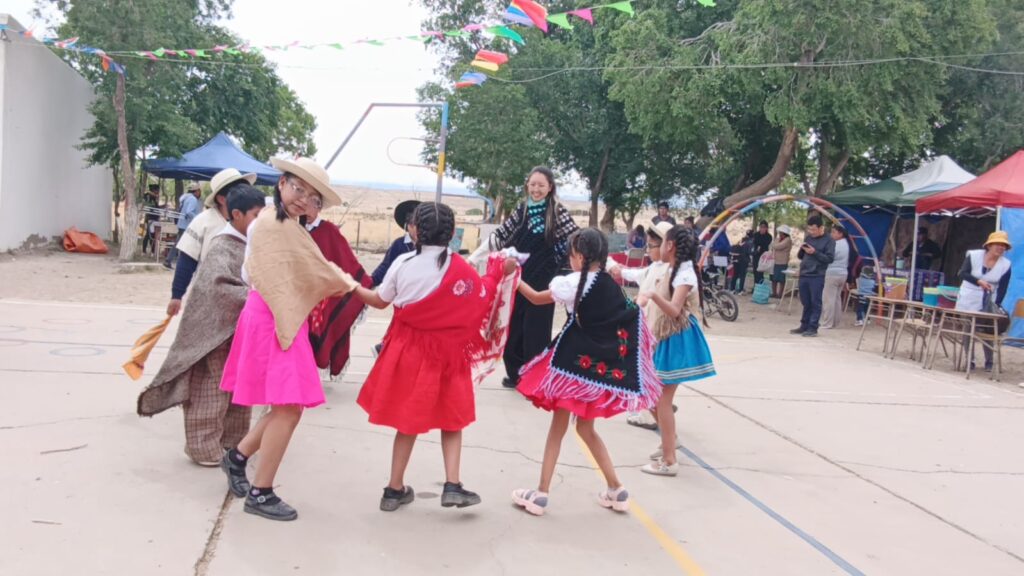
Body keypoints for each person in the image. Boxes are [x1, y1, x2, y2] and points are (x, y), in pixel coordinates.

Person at [219, 157, 358, 521]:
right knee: (289, 407)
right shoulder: (271, 225)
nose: (303, 199)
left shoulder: (288, 226)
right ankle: (260, 492)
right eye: (298, 189)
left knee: (286, 405)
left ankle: (237, 458)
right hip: (271, 318)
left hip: (283, 318)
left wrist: (353, 287)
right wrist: (361, 290)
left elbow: (315, 269)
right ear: (281, 183)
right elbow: (313, 272)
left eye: (313, 197)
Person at [353, 202, 512, 512]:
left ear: (414, 230)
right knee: (452, 419)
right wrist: (497, 273)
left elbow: (379, 300)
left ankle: (393, 489)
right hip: (449, 355)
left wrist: (350, 286)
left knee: (408, 419)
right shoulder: (460, 268)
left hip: (409, 351)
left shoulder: (403, 263)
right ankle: (453, 484)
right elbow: (482, 297)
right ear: (452, 234)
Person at [511, 228, 661, 516]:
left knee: (557, 430)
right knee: (585, 428)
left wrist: (513, 277)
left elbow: (536, 298)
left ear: (579, 256)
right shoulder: (608, 283)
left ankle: (541, 493)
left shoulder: (571, 283)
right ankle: (616, 488)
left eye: (571, 254)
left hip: (571, 369)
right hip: (594, 373)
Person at [137, 185, 267, 466]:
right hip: (214, 335)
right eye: (257, 215)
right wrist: (257, 296)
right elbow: (217, 288)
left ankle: (233, 443)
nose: (261, 222)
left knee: (239, 390)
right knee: (210, 391)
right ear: (236, 213)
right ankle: (203, 448)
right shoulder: (223, 246)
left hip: (239, 332)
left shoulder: (250, 244)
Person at [468, 166, 580, 388]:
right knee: (514, 328)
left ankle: (534, 379)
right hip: (518, 281)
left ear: (550, 188)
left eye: (541, 185)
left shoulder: (557, 212)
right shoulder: (522, 210)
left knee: (536, 332)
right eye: (532, 184)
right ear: (527, 185)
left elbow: (576, 240)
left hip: (543, 283)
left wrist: (601, 265)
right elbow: (500, 236)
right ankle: (516, 375)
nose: (536, 189)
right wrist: (473, 259)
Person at [640, 225, 716, 476]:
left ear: (670, 246)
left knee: (662, 400)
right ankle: (668, 445)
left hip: (677, 340)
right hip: (668, 338)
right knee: (656, 397)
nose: (659, 247)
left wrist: (652, 295)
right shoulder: (674, 269)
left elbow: (674, 310)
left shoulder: (684, 273)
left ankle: (669, 459)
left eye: (662, 242)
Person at [607, 222, 673, 430]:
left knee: (645, 373)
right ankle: (657, 406)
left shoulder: (670, 272)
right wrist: (612, 266)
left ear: (667, 246)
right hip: (649, 330)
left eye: (652, 246)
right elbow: (633, 274)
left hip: (657, 331)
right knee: (649, 372)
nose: (648, 250)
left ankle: (651, 413)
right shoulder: (655, 268)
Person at [166, 169, 258, 317]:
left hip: (244, 296)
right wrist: (177, 295)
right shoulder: (203, 222)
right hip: (210, 295)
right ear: (221, 199)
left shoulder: (253, 220)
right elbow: (187, 261)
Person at [305, 194, 373, 377]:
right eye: (304, 202)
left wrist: (361, 285)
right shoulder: (293, 228)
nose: (306, 208)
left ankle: (309, 373)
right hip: (298, 295)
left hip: (322, 299)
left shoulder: (328, 231)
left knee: (315, 335)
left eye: (312, 203)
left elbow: (346, 262)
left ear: (319, 207)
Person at [955, 231, 1012, 371]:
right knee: (968, 329)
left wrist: (996, 305)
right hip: (968, 297)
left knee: (989, 329)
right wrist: (978, 281)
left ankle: (989, 361)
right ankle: (970, 360)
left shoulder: (1006, 265)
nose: (1000, 247)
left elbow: (1003, 288)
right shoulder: (974, 256)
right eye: (998, 244)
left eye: (1003, 245)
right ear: (989, 245)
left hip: (989, 299)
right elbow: (962, 273)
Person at [791, 216, 835, 337]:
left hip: (817, 275)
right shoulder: (809, 238)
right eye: (809, 229)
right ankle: (804, 325)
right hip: (804, 274)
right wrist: (802, 249)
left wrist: (814, 252)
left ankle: (813, 327)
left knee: (815, 302)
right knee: (805, 301)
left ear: (821, 228)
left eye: (813, 229)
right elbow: (801, 256)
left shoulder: (829, 240)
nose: (811, 232)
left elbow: (829, 259)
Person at [371, 200, 420, 286]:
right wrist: (370, 282)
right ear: (407, 225)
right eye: (412, 224)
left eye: (419, 225)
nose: (416, 229)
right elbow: (385, 267)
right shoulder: (398, 245)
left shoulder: (431, 245)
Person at [821, 225, 855, 329]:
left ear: (840, 234)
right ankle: (835, 322)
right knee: (836, 298)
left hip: (833, 273)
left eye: (833, 232)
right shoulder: (846, 244)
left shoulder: (836, 244)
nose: (831, 234)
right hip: (843, 273)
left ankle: (827, 323)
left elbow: (828, 257)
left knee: (828, 299)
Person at [164, 182, 203, 269]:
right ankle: (171, 261)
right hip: (187, 225)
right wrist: (198, 218)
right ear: (196, 191)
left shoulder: (185, 198)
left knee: (179, 243)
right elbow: (189, 211)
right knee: (183, 244)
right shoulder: (193, 199)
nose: (200, 193)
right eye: (199, 191)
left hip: (182, 224)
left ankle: (169, 260)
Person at [770, 225, 793, 299]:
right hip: (775, 261)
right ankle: (774, 293)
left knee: (781, 279)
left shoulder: (788, 240)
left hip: (782, 262)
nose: (779, 234)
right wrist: (774, 244)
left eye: (781, 232)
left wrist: (773, 245)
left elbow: (778, 246)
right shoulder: (778, 239)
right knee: (774, 278)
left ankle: (780, 294)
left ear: (784, 233)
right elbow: (774, 244)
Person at [142, 183, 161, 256]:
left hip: (154, 218)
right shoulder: (148, 196)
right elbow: (151, 207)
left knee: (151, 235)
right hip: (150, 218)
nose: (158, 192)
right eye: (157, 190)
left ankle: (151, 251)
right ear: (153, 190)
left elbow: (156, 207)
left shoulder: (154, 198)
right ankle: (147, 251)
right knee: (149, 235)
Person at [752, 220, 772, 285]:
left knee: (760, 272)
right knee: (755, 271)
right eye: (761, 227)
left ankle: (760, 285)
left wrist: (759, 245)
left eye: (764, 227)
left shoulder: (769, 236)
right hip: (756, 255)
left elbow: (765, 243)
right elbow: (754, 243)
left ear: (766, 228)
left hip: (763, 256)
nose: (762, 229)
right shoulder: (755, 235)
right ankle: (755, 285)